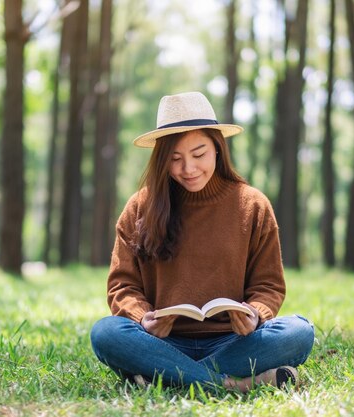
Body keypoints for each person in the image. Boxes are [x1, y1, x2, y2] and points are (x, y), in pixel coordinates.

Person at [90, 91, 314, 392]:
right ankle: (233, 384)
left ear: (217, 149)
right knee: (106, 332)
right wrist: (144, 318)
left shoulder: (252, 205)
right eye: (175, 159)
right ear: (161, 160)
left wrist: (254, 313)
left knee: (299, 331)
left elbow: (268, 286)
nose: (189, 169)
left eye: (199, 154)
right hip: (161, 342)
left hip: (234, 342)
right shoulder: (140, 207)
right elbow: (122, 286)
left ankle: (163, 377)